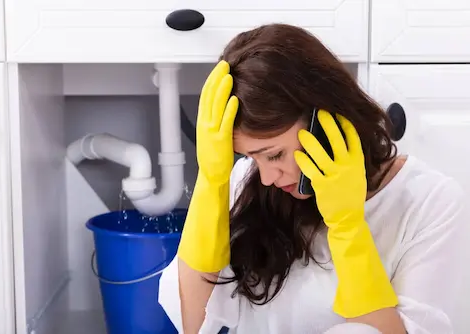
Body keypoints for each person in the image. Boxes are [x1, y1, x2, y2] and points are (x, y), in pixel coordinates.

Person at [158, 23, 470, 334]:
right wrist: (211, 184)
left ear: (325, 123)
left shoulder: (433, 202)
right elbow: (194, 324)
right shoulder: (246, 182)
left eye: (275, 155)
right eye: (250, 157)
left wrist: (348, 230)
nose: (265, 177)